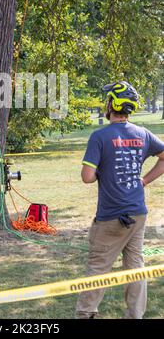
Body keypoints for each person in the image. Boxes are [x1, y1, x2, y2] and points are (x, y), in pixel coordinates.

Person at [75, 81, 164, 320]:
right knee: (135, 266)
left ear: (112, 104)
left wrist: (99, 169)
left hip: (111, 215)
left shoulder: (99, 136)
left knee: (98, 266)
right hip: (137, 212)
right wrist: (143, 181)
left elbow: (87, 177)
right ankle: (135, 315)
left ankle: (86, 314)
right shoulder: (142, 134)